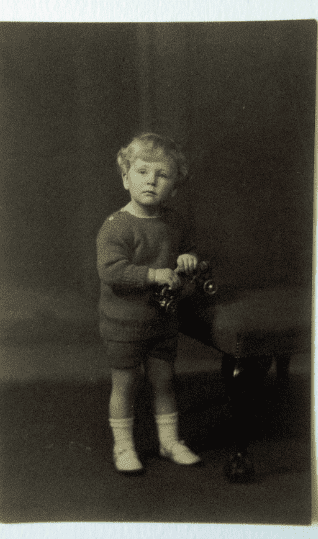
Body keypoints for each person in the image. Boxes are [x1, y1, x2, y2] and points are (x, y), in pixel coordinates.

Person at [96, 133, 202, 475]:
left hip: (162, 321)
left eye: (162, 175)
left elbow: (189, 251)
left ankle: (169, 441)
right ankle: (124, 446)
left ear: (174, 185)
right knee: (125, 384)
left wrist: (188, 259)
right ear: (126, 178)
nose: (151, 181)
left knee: (164, 380)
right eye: (142, 172)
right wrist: (154, 275)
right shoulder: (116, 227)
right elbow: (112, 270)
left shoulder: (174, 223)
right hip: (123, 324)